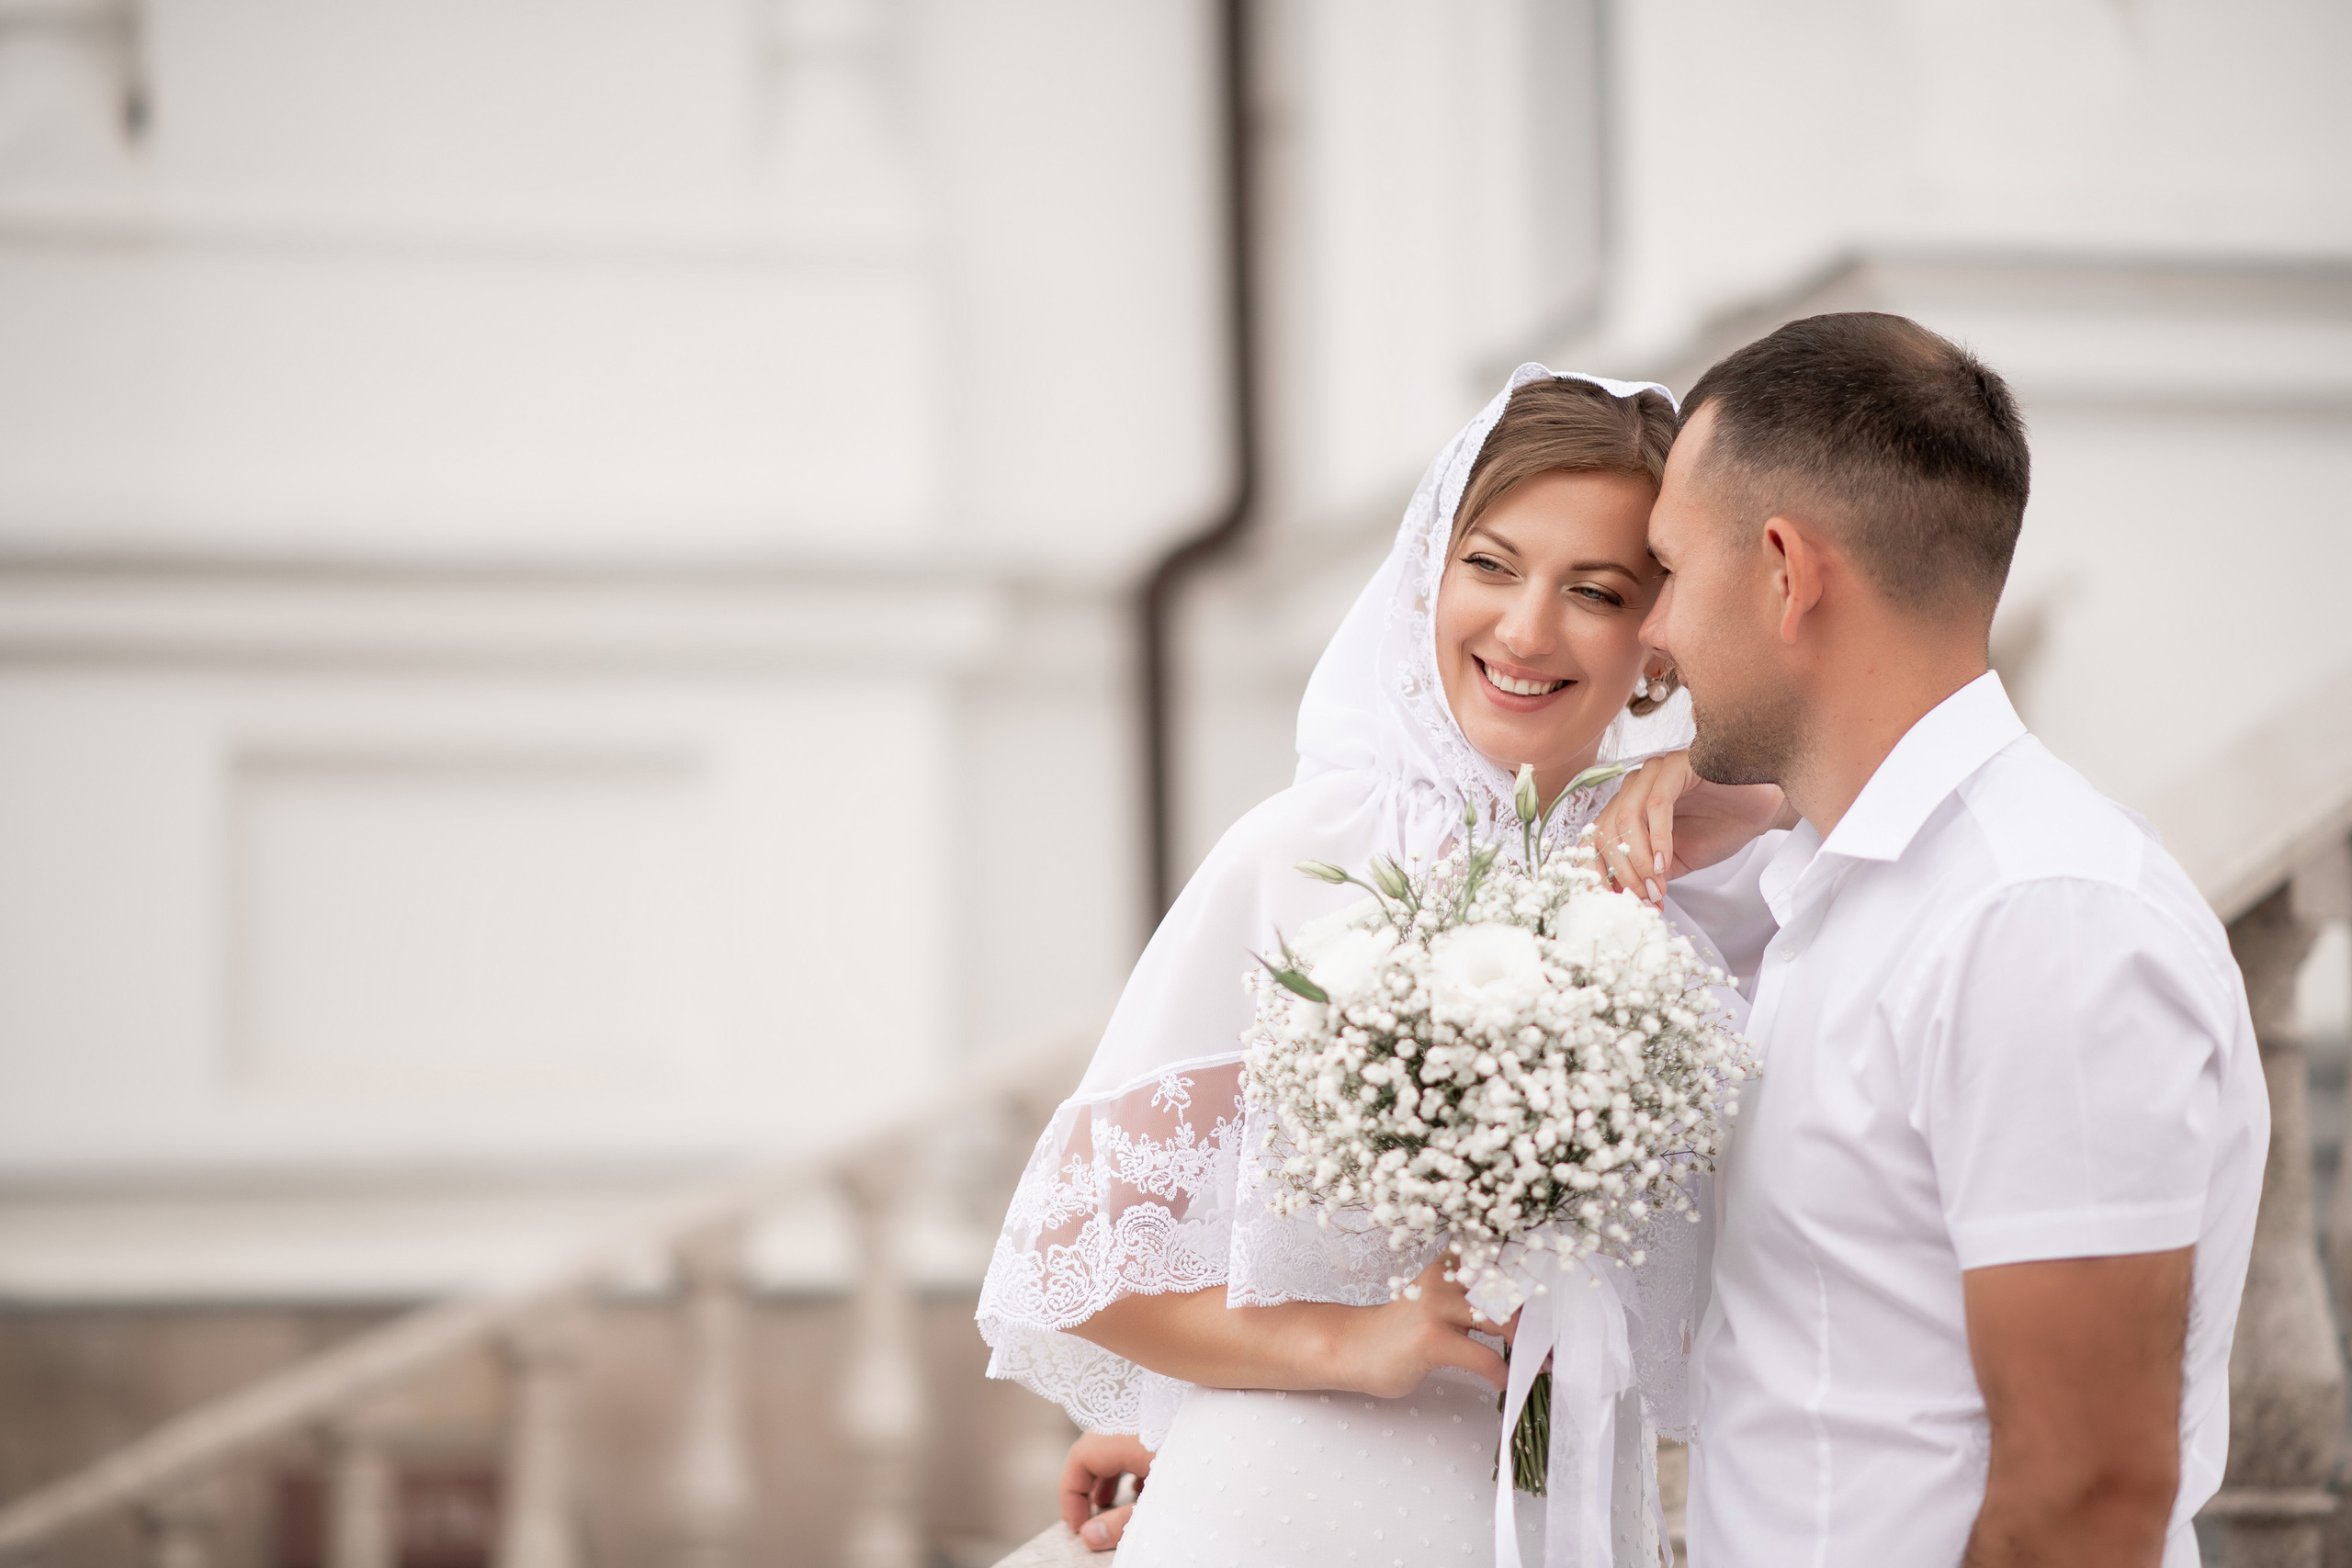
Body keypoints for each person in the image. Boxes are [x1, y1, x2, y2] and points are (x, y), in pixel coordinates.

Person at [977, 366, 1736, 1566]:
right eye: (1489, 565)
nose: (1526, 629)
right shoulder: (1302, 854)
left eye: (1594, 591)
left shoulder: (1658, 881)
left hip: (1554, 1512)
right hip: (1304, 1510)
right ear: (1427, 568)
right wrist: (1353, 1341)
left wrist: (1708, 773)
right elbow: (1078, 1264)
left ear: (1656, 641)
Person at [1589, 312, 2267, 1567]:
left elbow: (2087, 1496)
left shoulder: (2039, 923)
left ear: (1787, 571)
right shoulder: (1842, 903)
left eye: (1672, 570)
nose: (1654, 634)